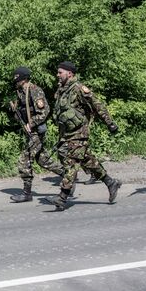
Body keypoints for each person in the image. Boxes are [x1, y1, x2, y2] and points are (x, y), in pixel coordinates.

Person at [46, 61, 122, 211]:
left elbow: (97, 105)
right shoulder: (63, 90)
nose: (57, 75)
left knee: (72, 162)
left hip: (79, 133)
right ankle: (110, 182)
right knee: (86, 160)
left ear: (70, 73)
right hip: (66, 134)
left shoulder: (79, 89)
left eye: (60, 72)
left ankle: (62, 197)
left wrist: (110, 123)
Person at [8, 66, 64, 203]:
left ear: (24, 78)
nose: (16, 81)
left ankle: (27, 193)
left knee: (24, 159)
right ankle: (67, 175)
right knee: (42, 159)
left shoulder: (34, 90)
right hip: (30, 131)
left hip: (36, 131)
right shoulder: (20, 92)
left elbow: (45, 111)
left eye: (18, 78)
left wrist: (31, 123)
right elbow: (23, 111)